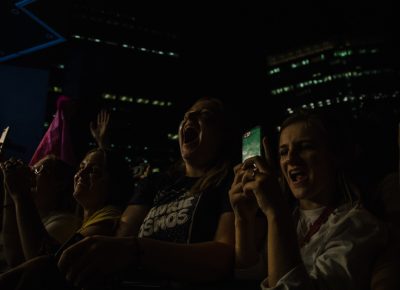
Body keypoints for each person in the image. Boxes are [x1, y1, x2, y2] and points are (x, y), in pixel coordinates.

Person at [56, 97, 239, 289]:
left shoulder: (229, 182)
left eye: (205, 115)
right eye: (186, 115)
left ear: (224, 135)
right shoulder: (155, 184)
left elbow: (224, 257)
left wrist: (137, 251)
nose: (190, 116)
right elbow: (120, 239)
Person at [230, 109, 385, 289]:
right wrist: (243, 219)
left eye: (304, 147)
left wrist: (276, 212)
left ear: (334, 155)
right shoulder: (293, 216)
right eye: (283, 151)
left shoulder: (360, 226)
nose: (291, 159)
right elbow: (249, 275)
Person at [0, 147, 133, 289]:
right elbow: (17, 259)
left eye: (94, 171)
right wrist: (11, 193)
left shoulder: (109, 216)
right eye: (81, 167)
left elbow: (47, 269)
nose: (81, 173)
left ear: (113, 183)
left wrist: (21, 195)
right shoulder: (85, 221)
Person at [1, 155, 79, 268]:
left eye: (37, 170)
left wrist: (20, 195)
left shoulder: (66, 223)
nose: (30, 175)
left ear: (59, 184)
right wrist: (9, 190)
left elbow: (17, 260)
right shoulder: (37, 217)